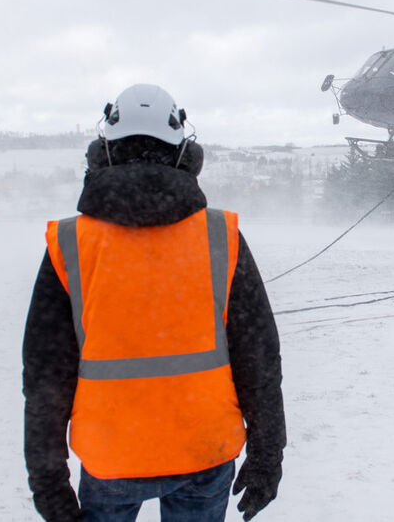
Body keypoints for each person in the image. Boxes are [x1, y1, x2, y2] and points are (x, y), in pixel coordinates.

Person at [23, 84, 286, 522]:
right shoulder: (220, 237)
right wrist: (267, 453)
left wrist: (48, 481)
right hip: (205, 452)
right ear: (185, 153)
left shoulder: (70, 243)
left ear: (103, 152)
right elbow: (258, 358)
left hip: (110, 456)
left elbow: (46, 377)